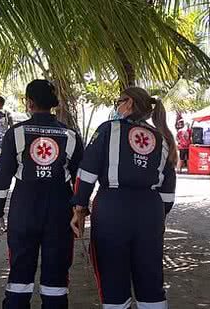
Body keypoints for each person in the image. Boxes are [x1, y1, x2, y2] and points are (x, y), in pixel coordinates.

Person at [71, 87, 177, 308]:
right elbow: (168, 192)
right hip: (151, 211)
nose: (117, 106)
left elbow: (87, 173)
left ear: (128, 103)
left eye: (118, 102)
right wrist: (156, 218)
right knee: (150, 279)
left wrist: (79, 207)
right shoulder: (162, 137)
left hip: (113, 209)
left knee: (112, 279)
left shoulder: (109, 130)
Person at [0, 79, 84, 309]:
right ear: (52, 103)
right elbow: (81, 178)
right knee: (56, 278)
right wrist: (80, 211)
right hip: (60, 213)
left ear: (29, 103)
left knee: (19, 276)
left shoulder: (15, 133)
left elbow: (2, 179)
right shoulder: (70, 135)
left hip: (23, 212)